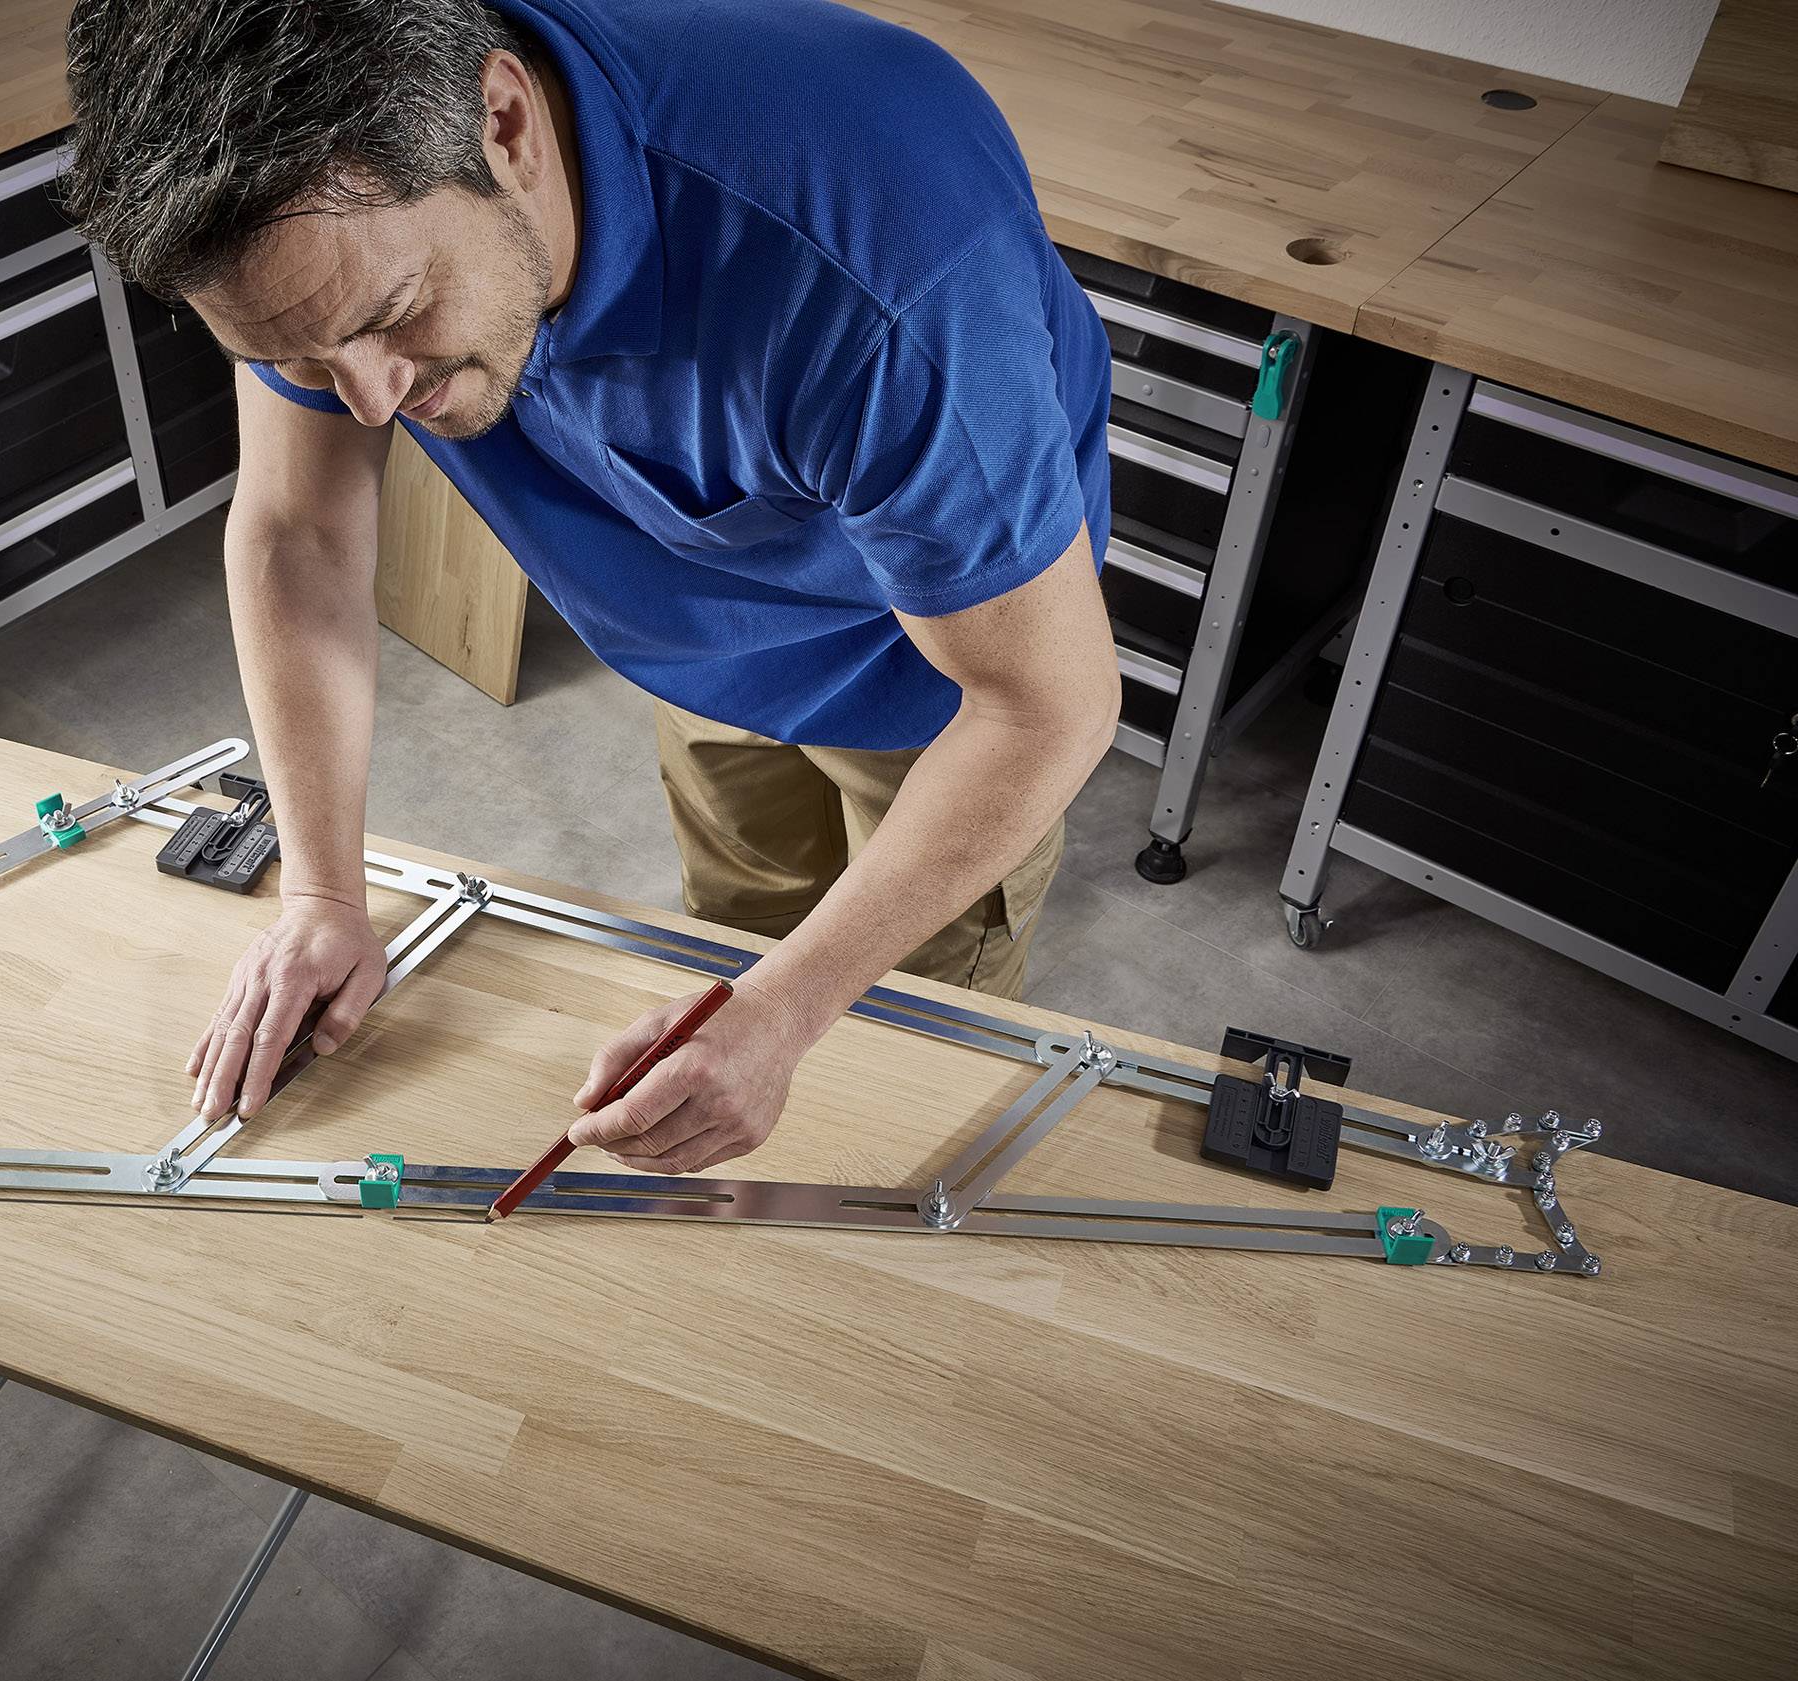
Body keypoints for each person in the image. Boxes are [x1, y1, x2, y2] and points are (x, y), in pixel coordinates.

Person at [62, 0, 1118, 1175]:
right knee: (734, 943)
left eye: (396, 319)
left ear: (505, 124)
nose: (365, 403)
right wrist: (320, 892)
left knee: (890, 1074)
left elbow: (1045, 707)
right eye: (293, 360)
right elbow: (300, 531)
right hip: (697, 625)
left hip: (937, 682)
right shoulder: (340, 222)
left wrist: (793, 1009)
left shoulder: (887, 278)